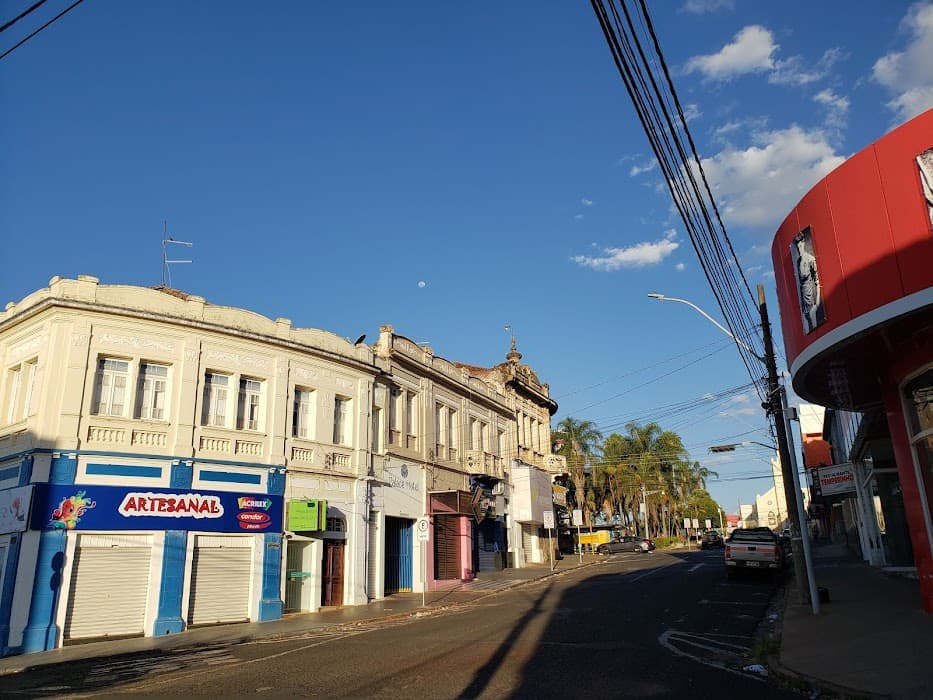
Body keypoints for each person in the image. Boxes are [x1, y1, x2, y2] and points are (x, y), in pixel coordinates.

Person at [794, 234, 822, 332]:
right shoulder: (798, 262)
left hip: (810, 291)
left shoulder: (810, 259)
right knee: (806, 316)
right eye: (797, 247)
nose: (799, 249)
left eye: (800, 246)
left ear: (803, 244)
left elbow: (817, 280)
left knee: (812, 314)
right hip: (803, 293)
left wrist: (817, 299)